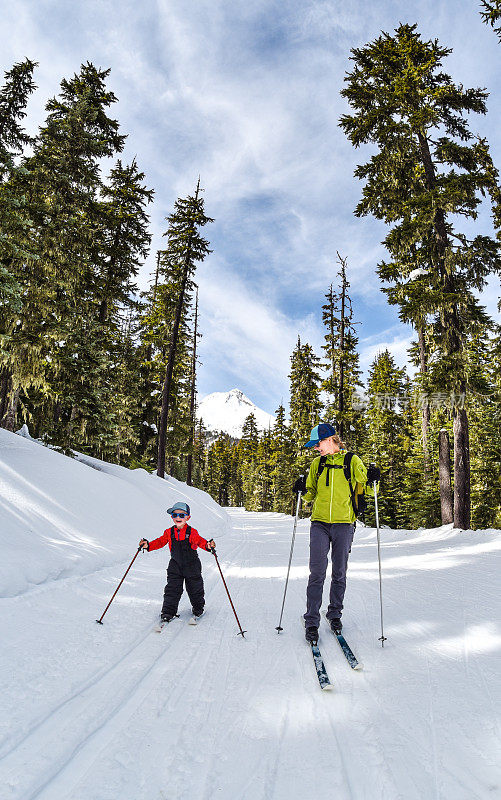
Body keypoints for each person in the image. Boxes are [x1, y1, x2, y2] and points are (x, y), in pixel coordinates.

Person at [293, 423, 380, 645]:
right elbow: (310, 495)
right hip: (319, 523)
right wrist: (301, 489)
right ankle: (311, 620)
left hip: (344, 524)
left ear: (330, 439)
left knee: (339, 572)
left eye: (318, 444)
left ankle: (334, 614)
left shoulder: (352, 461)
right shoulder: (317, 464)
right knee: (317, 572)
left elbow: (369, 489)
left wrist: (373, 479)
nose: (316, 448)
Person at [139, 501, 216, 624]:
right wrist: (148, 545)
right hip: (175, 564)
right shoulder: (169, 532)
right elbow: (159, 542)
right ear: (172, 517)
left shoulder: (192, 532)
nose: (178, 518)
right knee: (172, 588)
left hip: (192, 565)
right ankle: (168, 612)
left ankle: (198, 608)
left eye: (182, 515)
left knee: (194, 588)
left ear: (188, 517)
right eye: (175, 515)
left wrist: (208, 545)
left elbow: (200, 541)